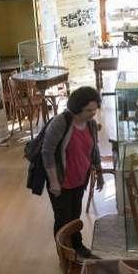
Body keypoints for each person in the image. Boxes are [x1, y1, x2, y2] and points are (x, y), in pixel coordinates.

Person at [42, 87, 105, 258]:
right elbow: (47, 152)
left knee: (75, 217)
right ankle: (64, 253)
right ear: (77, 107)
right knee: (63, 220)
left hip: (79, 180)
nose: (93, 113)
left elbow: (94, 149)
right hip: (61, 182)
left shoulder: (91, 124)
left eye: (95, 109)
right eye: (89, 110)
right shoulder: (60, 123)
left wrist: (99, 172)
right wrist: (54, 182)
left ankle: (77, 247)